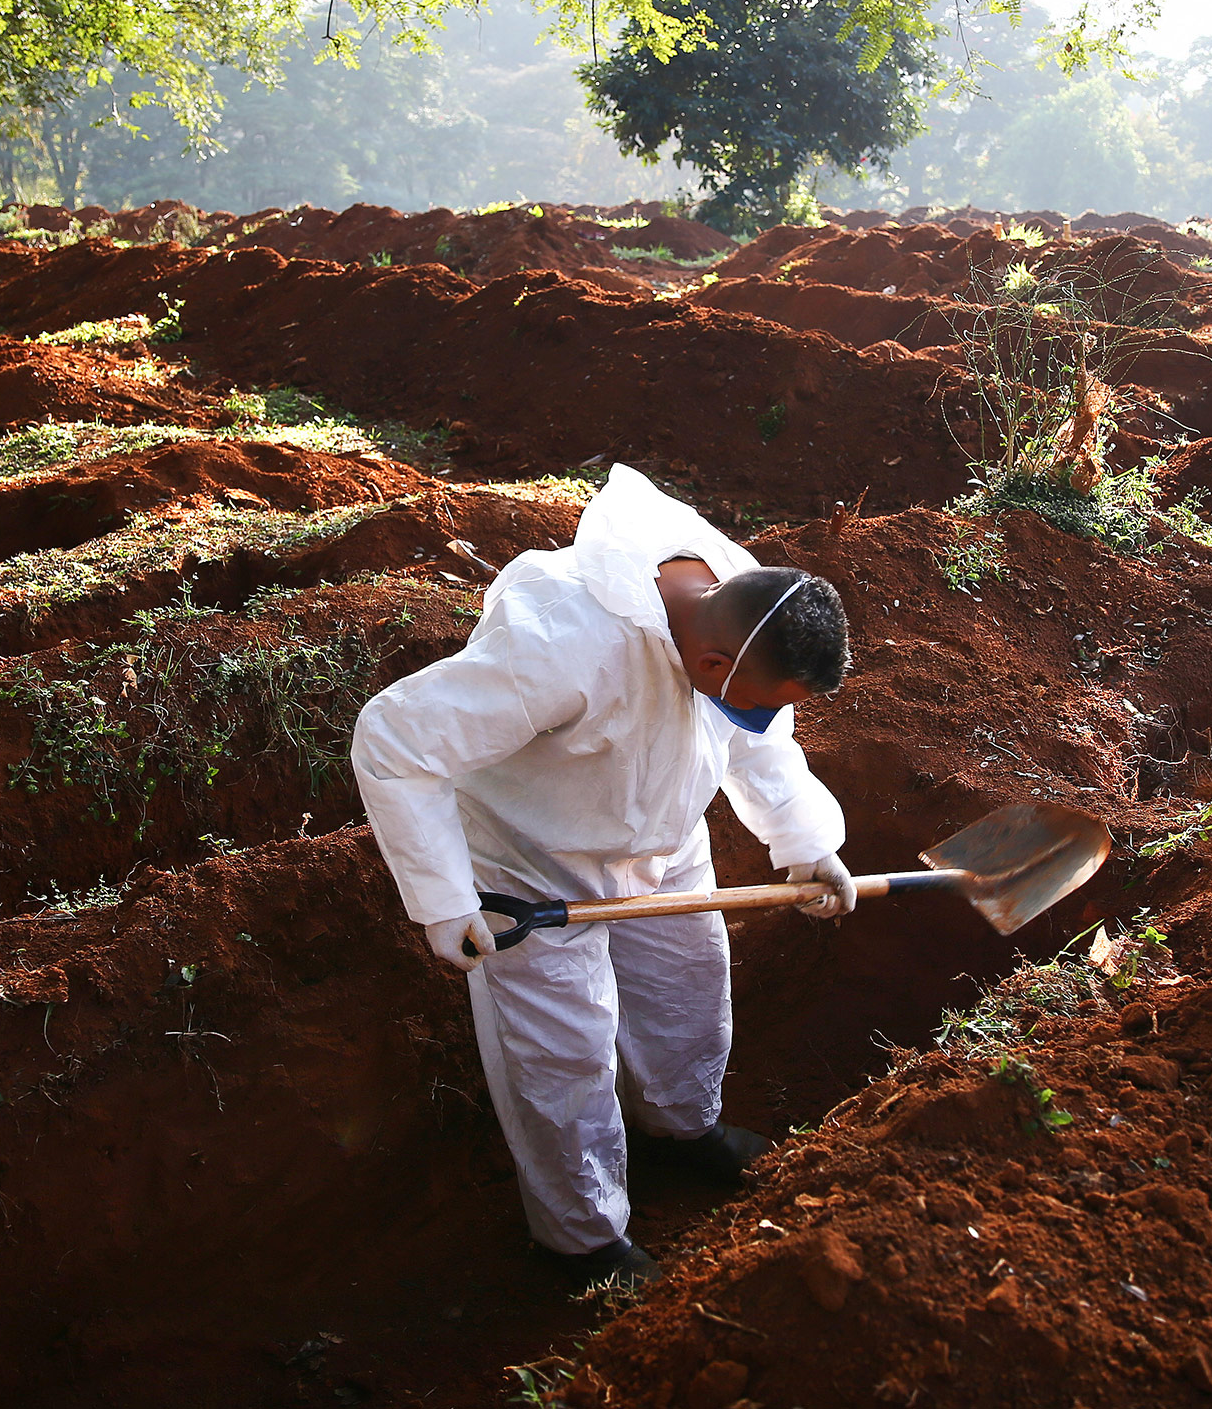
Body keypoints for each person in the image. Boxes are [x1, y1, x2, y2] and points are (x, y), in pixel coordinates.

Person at [351, 464, 856, 1288]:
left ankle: (683, 1128)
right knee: (565, 1052)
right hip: (534, 858)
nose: (758, 717)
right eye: (752, 699)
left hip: (661, 832)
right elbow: (396, 742)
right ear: (712, 658)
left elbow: (761, 740)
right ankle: (582, 1242)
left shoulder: (742, 606)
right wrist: (445, 900)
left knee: (690, 983)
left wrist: (807, 841)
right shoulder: (559, 642)